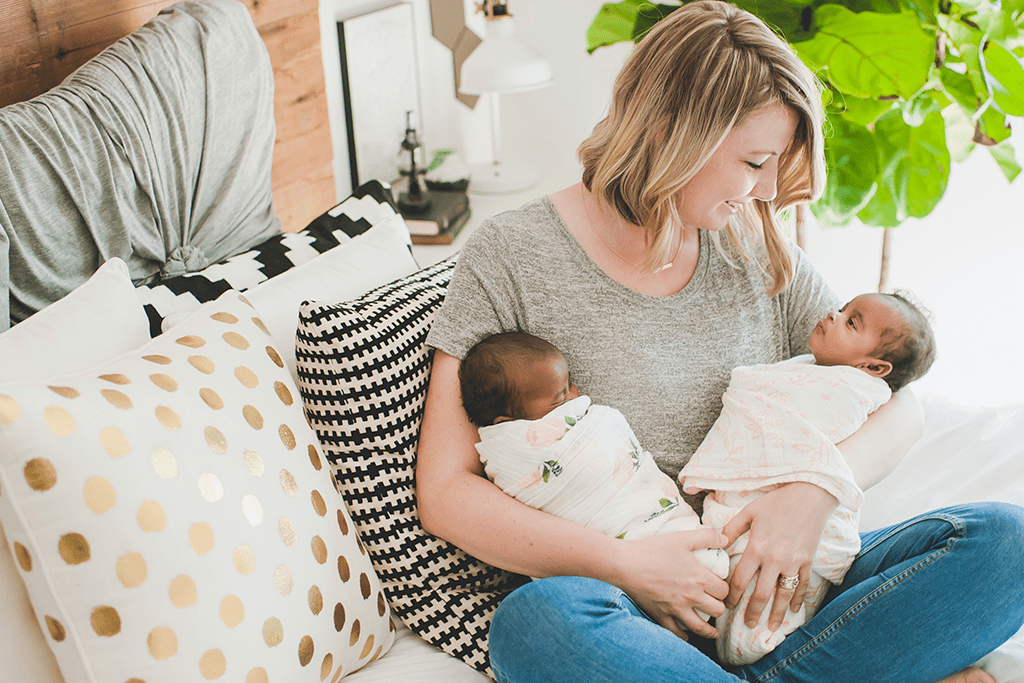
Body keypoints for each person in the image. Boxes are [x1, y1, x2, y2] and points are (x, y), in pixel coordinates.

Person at [414, 1, 1024, 681]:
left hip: (777, 592)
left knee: (1004, 543)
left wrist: (813, 490)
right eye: (756, 161)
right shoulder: (510, 255)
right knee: (535, 624)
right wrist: (626, 565)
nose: (767, 190)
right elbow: (444, 491)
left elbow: (900, 402)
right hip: (625, 603)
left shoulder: (755, 247)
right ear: (675, 132)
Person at [680, 291, 936, 666]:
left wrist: (815, 489)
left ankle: (757, 662)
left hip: (806, 538)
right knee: (567, 607)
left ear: (875, 368)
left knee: (1002, 534)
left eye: (851, 321)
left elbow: (908, 406)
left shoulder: (854, 390)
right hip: (675, 557)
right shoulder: (811, 369)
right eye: (843, 308)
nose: (832, 314)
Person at [460, 331, 730, 586]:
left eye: (569, 385)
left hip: (677, 535)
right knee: (532, 605)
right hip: (597, 567)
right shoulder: (507, 449)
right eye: (561, 398)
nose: (576, 395)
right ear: (508, 422)